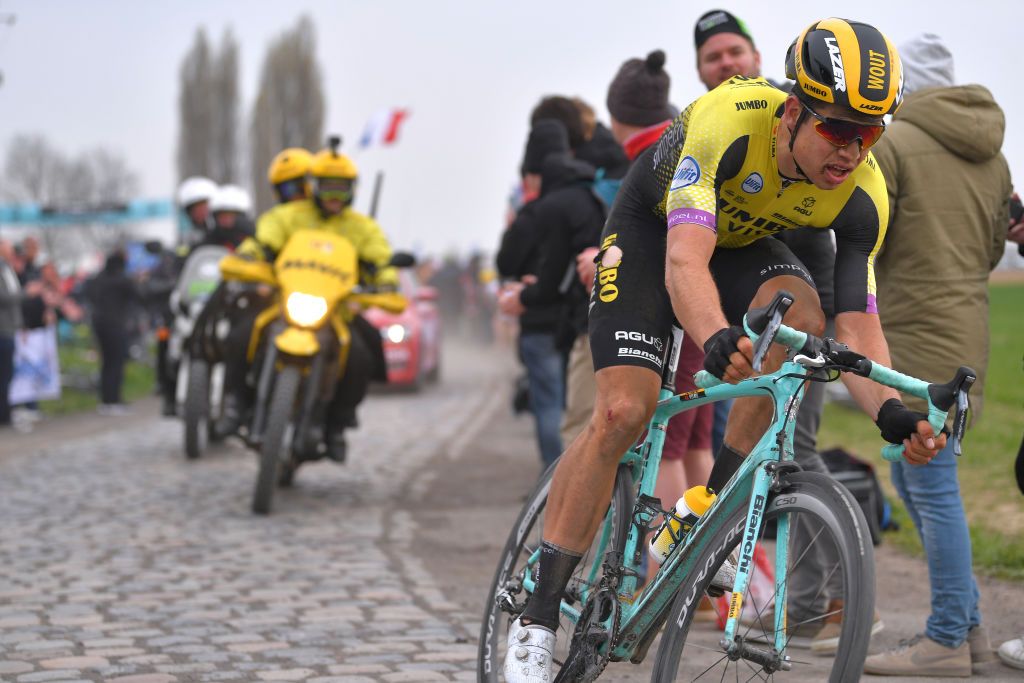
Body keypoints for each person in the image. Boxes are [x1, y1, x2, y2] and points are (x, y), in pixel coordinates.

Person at [503, 19, 947, 682]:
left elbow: (857, 324)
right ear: (793, 110)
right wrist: (715, 335)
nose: (853, 151)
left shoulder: (863, 191)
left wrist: (893, 411)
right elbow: (685, 260)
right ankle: (537, 615)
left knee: (799, 325)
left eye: (871, 131)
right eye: (838, 128)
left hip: (743, 244)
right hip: (655, 231)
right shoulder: (727, 122)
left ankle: (704, 506)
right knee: (626, 410)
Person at [692, 8, 866, 651]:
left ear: (759, 59)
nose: (726, 64)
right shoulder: (714, 134)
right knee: (764, 448)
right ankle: (805, 597)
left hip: (804, 311)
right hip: (739, 319)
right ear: (700, 71)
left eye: (735, 51)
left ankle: (816, 604)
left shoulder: (805, 132)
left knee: (797, 448)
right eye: (712, 58)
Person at [862, 33, 1011, 677]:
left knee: (929, 480)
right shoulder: (995, 156)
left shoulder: (893, 144)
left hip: (913, 333)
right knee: (912, 474)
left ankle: (946, 635)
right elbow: (989, 251)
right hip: (966, 328)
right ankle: (970, 633)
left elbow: (868, 239)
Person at [223, 138, 395, 462]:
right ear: (312, 186)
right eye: (327, 188)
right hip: (285, 305)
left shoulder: (362, 227)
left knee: (362, 354)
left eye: (341, 189)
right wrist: (250, 256)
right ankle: (236, 402)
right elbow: (264, 241)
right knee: (241, 333)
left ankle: (338, 424)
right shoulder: (289, 215)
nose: (334, 197)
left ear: (353, 191)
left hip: (337, 312)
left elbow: (380, 261)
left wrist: (385, 283)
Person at [496, 119, 574, 468]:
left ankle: (552, 483)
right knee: (573, 409)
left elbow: (505, 261)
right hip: (575, 323)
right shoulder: (580, 202)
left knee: (548, 407)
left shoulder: (532, 214)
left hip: (540, 324)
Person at [84, 250, 142, 415]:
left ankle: (105, 400)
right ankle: (113, 400)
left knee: (106, 363)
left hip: (99, 324)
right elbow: (139, 295)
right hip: (116, 325)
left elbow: (88, 294)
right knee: (116, 362)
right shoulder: (122, 280)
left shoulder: (98, 279)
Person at [0, 239, 29, 429]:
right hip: (2, 329)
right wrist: (26, 293)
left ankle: (6, 413)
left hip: (11, 328)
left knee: (8, 374)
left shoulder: (8, 269)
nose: (12, 252)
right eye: (8, 248)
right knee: (3, 374)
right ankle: (4, 415)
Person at [202, 184, 254, 249]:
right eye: (222, 216)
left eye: (231, 215)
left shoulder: (253, 237)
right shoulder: (211, 239)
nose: (226, 219)